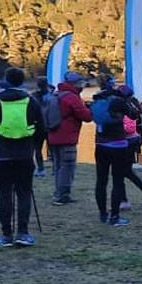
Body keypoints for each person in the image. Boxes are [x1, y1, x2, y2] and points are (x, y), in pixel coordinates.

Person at [0, 67, 44, 247]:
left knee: (3, 195)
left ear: (6, 80)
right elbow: (42, 130)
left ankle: (6, 234)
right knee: (24, 193)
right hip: (24, 155)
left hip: (1, 156)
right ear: (22, 81)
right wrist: (34, 147)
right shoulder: (31, 102)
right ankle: (23, 232)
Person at [90, 75, 132, 227]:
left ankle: (102, 214)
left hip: (100, 144)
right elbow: (132, 114)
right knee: (117, 180)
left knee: (101, 180)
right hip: (118, 144)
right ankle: (115, 216)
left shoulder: (96, 99)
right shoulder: (118, 100)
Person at [47, 71, 92, 206]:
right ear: (75, 83)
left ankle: (58, 192)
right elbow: (86, 117)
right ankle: (62, 195)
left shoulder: (56, 95)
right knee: (67, 167)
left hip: (53, 136)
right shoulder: (72, 98)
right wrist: (90, 109)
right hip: (67, 138)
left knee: (58, 166)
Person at [115, 84, 142, 211]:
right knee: (124, 171)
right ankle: (126, 199)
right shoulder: (133, 103)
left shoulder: (125, 107)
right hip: (132, 140)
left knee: (121, 171)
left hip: (126, 141)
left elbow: (128, 127)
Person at [32, 77, 52, 177]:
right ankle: (54, 169)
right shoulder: (51, 95)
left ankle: (40, 168)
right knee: (53, 149)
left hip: (38, 125)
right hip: (49, 124)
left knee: (37, 149)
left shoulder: (33, 97)